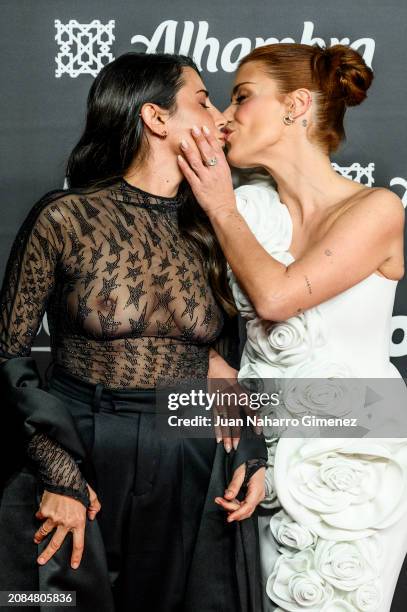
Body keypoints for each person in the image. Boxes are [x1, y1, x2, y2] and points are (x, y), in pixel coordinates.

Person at [0, 52, 267, 612]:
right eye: (203, 100)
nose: (220, 117)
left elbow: (229, 366)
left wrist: (248, 450)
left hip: (187, 445)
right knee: (54, 602)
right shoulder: (66, 217)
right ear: (155, 118)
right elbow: (9, 355)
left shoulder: (215, 228)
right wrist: (57, 471)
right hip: (83, 440)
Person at [177, 43, 407, 612]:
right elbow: (169, 311)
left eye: (242, 97)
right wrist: (210, 363)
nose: (225, 118)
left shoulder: (377, 209)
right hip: (254, 458)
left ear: (296, 105)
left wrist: (219, 205)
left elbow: (278, 298)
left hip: (351, 468)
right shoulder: (250, 206)